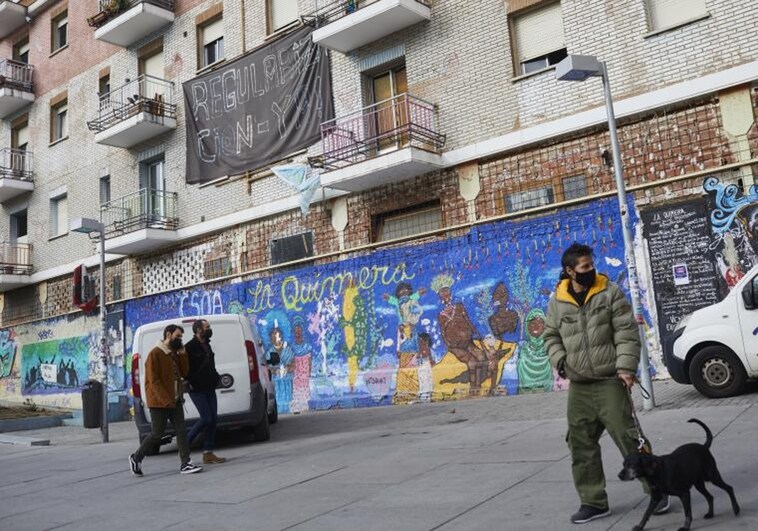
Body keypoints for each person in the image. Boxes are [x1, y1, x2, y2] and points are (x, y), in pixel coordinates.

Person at [544, 243, 668, 524]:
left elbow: (625, 331)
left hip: (611, 380)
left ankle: (658, 491)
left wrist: (626, 367)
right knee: (579, 443)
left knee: (629, 437)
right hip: (580, 386)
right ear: (569, 271)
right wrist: (561, 361)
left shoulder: (609, 292)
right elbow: (551, 335)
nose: (590, 270)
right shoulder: (557, 300)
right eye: (584, 267)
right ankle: (593, 502)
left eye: (591, 265)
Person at [129, 324, 202, 476]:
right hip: (159, 402)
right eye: (178, 336)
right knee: (157, 433)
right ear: (168, 335)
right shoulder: (155, 354)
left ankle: (185, 463)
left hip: (175, 400)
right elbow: (153, 381)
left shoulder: (174, 353)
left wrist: (182, 355)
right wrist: (165, 399)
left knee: (181, 431)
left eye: (181, 337)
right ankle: (136, 457)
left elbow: (184, 372)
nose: (180, 339)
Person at [185, 319, 226, 465]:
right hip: (197, 389)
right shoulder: (189, 347)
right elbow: (185, 369)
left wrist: (215, 378)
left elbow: (210, 365)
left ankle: (208, 453)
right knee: (206, 418)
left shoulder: (207, 345)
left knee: (213, 419)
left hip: (209, 386)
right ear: (198, 330)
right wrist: (192, 381)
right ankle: (185, 444)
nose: (209, 329)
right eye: (206, 327)